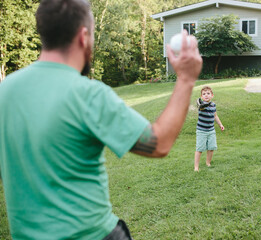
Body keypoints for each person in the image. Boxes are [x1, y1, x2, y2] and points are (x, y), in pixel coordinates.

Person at [0, 0, 202, 239]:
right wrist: (186, 79)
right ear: (84, 36)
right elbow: (158, 144)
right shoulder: (88, 94)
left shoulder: (5, 92)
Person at [194, 86, 225, 172]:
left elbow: (215, 116)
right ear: (201, 96)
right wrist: (200, 103)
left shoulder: (213, 105)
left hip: (211, 131)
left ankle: (208, 163)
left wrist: (220, 124)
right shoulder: (201, 105)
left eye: (208, 93)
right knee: (199, 149)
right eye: (204, 94)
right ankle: (196, 167)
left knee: (211, 148)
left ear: (212, 95)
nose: (206, 95)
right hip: (201, 131)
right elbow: (200, 106)